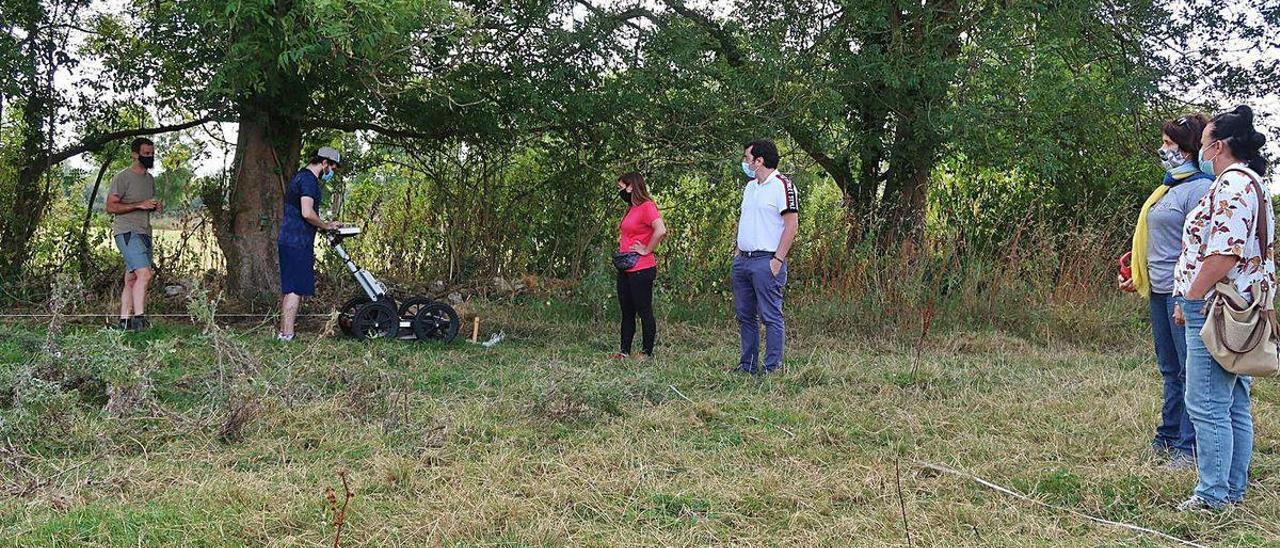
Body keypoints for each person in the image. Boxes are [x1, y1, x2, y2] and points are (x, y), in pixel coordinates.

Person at [1172, 105, 1271, 511]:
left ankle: (1212, 496)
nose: (1200, 148)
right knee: (1233, 402)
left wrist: (1190, 295)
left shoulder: (1232, 186)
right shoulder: (1255, 183)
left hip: (1217, 307)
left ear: (1220, 146)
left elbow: (1224, 253)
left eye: (1204, 141)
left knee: (1207, 403)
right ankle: (1231, 490)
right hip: (1241, 307)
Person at [1118, 114, 1213, 469]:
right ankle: (1168, 436)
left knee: (1190, 371)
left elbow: (1200, 247)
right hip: (1158, 290)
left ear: (1189, 148)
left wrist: (1185, 295)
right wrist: (1136, 274)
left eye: (1171, 144)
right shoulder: (1169, 187)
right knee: (1170, 369)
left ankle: (1188, 447)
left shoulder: (1201, 189)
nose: (1164, 149)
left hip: (1183, 293)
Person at [732, 139, 799, 375]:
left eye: (747, 158)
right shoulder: (751, 187)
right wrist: (738, 252)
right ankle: (747, 365)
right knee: (745, 315)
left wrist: (777, 260)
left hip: (766, 260)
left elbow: (791, 225)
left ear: (759, 161)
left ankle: (772, 367)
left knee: (770, 315)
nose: (745, 163)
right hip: (744, 260)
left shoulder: (782, 186)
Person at [276, 147, 343, 341]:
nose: (331, 173)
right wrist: (326, 225)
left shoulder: (300, 177)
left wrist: (324, 226)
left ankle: (284, 333)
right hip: (297, 241)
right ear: (324, 163)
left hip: (290, 239)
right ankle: (287, 334)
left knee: (290, 288)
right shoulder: (308, 180)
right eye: (332, 168)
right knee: (295, 288)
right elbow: (306, 212)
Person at [106, 137, 161, 331]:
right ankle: (139, 320)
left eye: (152, 153)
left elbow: (147, 204)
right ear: (134, 154)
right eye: (146, 153)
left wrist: (154, 206)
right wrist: (139, 204)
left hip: (145, 232)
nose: (150, 156)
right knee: (145, 274)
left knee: (132, 279)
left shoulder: (149, 179)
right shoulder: (122, 177)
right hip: (127, 231)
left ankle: (124, 322)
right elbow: (111, 206)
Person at [611, 172, 667, 360]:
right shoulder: (631, 208)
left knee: (644, 310)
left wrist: (646, 249)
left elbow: (661, 230)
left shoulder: (647, 206)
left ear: (631, 186)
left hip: (642, 267)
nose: (620, 192)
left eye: (621, 187)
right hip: (626, 266)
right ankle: (624, 351)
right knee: (626, 310)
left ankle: (646, 352)